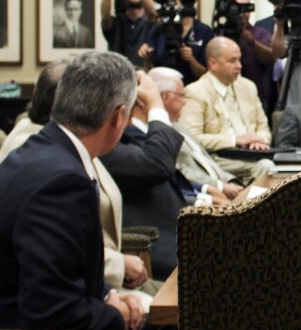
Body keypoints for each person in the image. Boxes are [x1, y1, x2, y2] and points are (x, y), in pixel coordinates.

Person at [0, 51, 178, 330]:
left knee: (190, 329)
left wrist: (107, 294)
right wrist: (111, 312)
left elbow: (53, 270)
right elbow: (50, 308)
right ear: (119, 116)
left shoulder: (40, 151)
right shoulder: (62, 180)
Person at [0, 59, 155, 294]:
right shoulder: (55, 170)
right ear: (118, 116)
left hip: (94, 288)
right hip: (55, 317)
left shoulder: (60, 145)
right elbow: (50, 291)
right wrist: (111, 305)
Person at [101, 72, 223, 280]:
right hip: (155, 247)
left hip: (177, 233)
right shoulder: (105, 146)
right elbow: (159, 163)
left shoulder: (119, 139)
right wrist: (155, 104)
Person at [180, 36, 274, 183]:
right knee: (266, 167)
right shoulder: (195, 92)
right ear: (213, 64)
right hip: (218, 158)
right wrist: (235, 140)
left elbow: (263, 126)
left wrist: (259, 140)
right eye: (232, 61)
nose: (239, 66)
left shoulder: (248, 87)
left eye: (239, 59)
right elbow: (192, 138)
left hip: (252, 154)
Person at [148, 66, 244, 201]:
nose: (184, 102)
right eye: (181, 95)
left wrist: (230, 181)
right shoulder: (158, 134)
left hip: (224, 187)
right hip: (205, 195)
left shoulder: (179, 127)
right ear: (166, 97)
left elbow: (206, 161)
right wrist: (220, 186)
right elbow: (181, 172)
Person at [141, 0, 214, 85]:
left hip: (192, 88)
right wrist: (147, 56)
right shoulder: (160, 29)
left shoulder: (204, 31)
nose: (183, 3)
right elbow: (149, 68)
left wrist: (191, 59)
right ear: (175, 0)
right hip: (162, 87)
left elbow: (207, 74)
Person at [101, 0, 159, 66]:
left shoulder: (150, 24)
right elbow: (106, 18)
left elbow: (153, 15)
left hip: (144, 74)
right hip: (120, 76)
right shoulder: (118, 22)